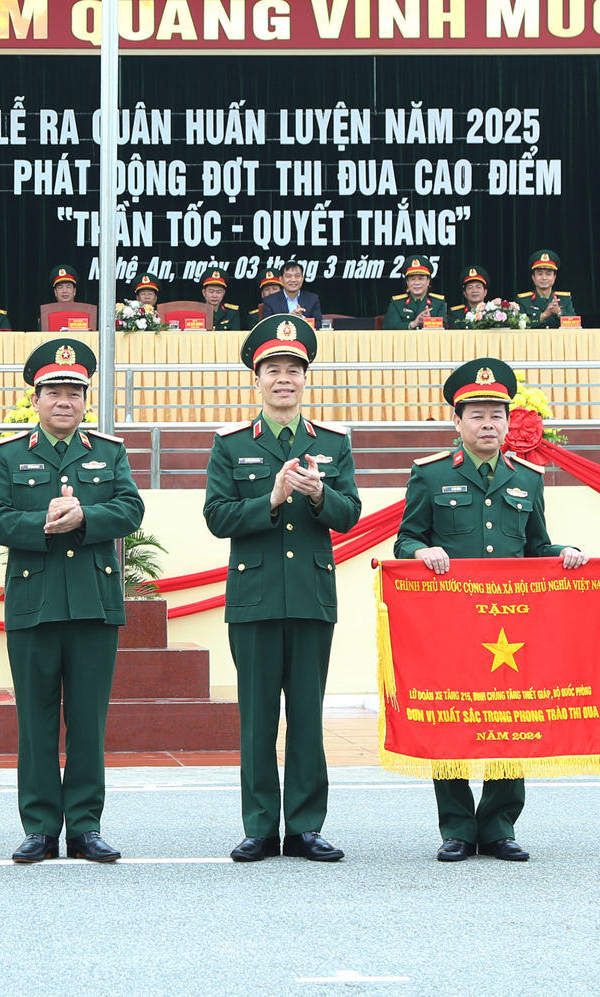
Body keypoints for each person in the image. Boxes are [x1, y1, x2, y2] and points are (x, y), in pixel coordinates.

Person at [393, 357, 588, 864]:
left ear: (509, 422)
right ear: (456, 422)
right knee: (449, 716)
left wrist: (564, 554)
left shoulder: (528, 478)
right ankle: (457, 827)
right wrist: (421, 551)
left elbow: (536, 545)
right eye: (476, 414)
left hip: (510, 624)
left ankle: (500, 826)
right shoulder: (430, 476)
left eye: (497, 415)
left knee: (508, 719)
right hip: (449, 624)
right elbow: (405, 539)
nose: (487, 424)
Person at [0, 338, 144, 864]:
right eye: (53, 391)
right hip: (35, 603)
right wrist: (44, 524)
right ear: (36, 397)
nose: (64, 402)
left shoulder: (108, 452)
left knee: (89, 719)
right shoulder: (7, 455)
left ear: (85, 399)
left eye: (74, 392)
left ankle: (87, 827)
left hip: (95, 604)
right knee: (36, 720)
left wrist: (87, 518)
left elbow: (131, 508)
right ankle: (40, 828)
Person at [204, 314, 360, 864]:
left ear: (306, 377)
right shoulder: (230, 445)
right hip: (255, 599)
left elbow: (351, 516)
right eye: (273, 369)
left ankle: (307, 827)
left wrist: (321, 496)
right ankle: (259, 827)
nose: (284, 378)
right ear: (257, 378)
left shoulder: (334, 444)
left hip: (312, 598)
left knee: (308, 718)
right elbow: (217, 517)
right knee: (258, 718)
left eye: (294, 369)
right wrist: (269, 500)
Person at [515, 250, 577, 327]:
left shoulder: (565, 299)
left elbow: (575, 324)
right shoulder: (523, 300)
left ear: (554, 277)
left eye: (548, 274)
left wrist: (559, 312)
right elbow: (518, 324)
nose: (544, 278)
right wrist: (543, 316)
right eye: (540, 274)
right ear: (533, 277)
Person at [382, 259, 447, 329]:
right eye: (413, 279)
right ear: (407, 282)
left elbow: (445, 329)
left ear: (428, 281)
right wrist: (413, 324)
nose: (416, 283)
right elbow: (390, 327)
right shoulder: (397, 303)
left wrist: (429, 321)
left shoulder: (438, 302)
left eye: (421, 279)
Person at [259, 260, 320, 324]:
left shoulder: (312, 299)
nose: (293, 280)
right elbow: (267, 325)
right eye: (288, 276)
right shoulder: (270, 300)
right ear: (281, 279)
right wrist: (289, 319)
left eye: (297, 276)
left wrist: (302, 318)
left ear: (302, 279)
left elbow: (318, 324)